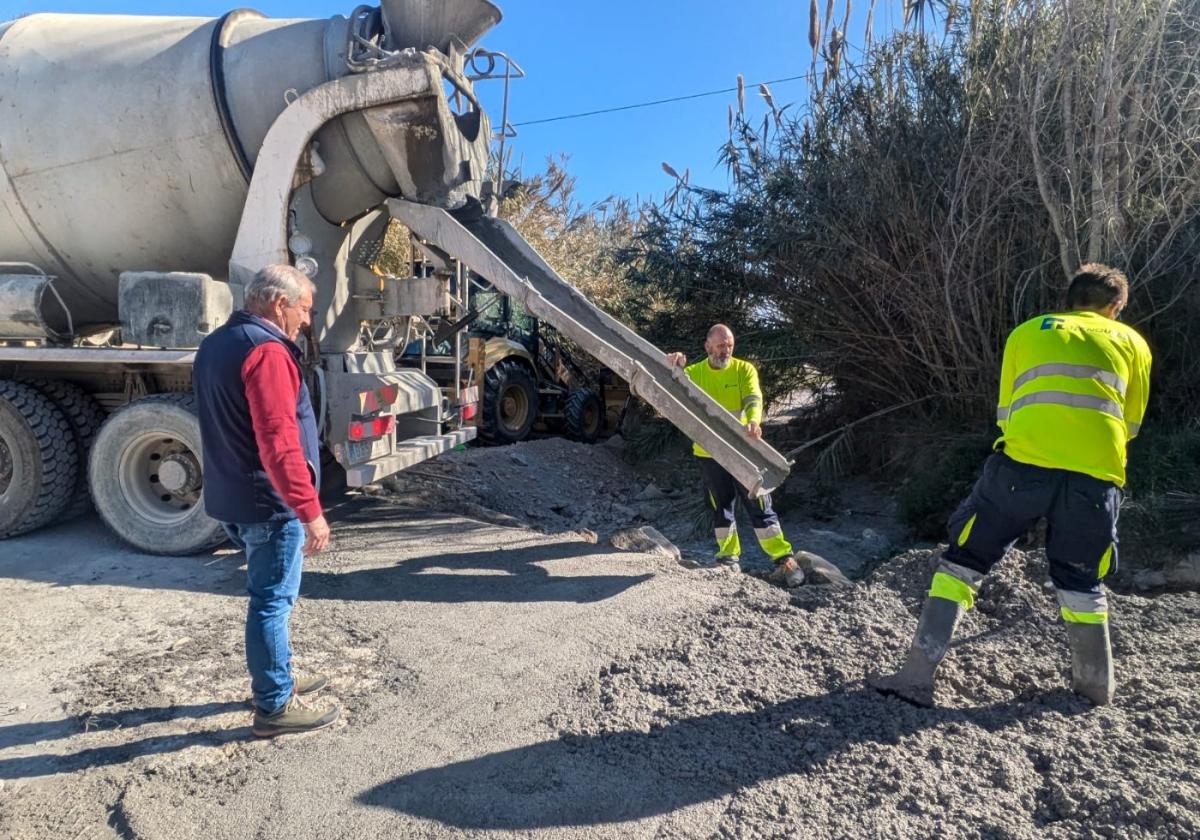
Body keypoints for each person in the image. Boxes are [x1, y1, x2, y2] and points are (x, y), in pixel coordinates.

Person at [870, 264, 1152, 707]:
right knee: (1082, 580)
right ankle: (1094, 686)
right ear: (1116, 307)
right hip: (1095, 479)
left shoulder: (1026, 332)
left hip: (1020, 469)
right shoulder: (1134, 343)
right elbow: (1131, 423)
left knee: (964, 560)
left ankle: (916, 676)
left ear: (1069, 299)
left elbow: (1006, 412)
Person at [194, 264, 340, 737]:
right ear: (279, 304)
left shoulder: (217, 344)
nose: (307, 320)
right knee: (272, 602)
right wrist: (309, 510)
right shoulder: (268, 353)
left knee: (268, 598)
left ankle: (278, 676)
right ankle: (274, 705)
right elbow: (278, 443)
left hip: (233, 496)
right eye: (305, 309)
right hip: (267, 503)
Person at [666, 324, 806, 587]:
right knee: (722, 506)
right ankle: (728, 559)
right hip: (707, 453)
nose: (725, 350)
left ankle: (783, 558)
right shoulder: (694, 374)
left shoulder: (744, 370)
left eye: (729, 345)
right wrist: (673, 365)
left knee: (760, 503)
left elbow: (753, 397)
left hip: (744, 451)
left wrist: (753, 420)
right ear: (707, 346)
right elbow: (671, 389)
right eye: (720, 345)